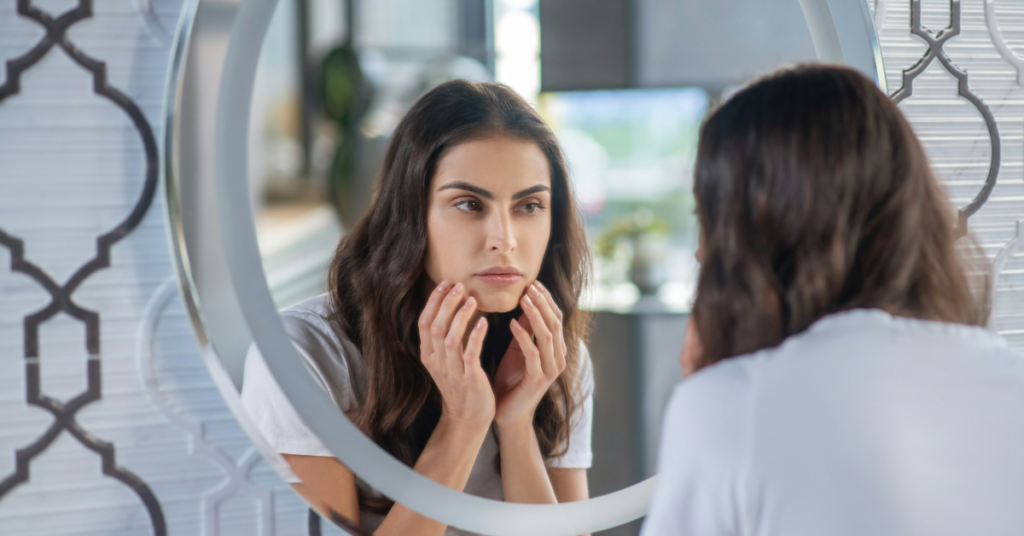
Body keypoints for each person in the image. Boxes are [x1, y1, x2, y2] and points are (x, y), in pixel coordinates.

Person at [642, 65, 1024, 536]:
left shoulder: (736, 405)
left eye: (710, 216)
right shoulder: (1011, 381)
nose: (702, 250)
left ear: (760, 224)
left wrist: (712, 397)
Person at [240, 80, 594, 536]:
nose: (504, 239)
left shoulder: (551, 358)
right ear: (411, 215)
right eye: (469, 204)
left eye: (529, 205)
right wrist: (462, 425)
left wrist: (517, 426)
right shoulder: (303, 355)